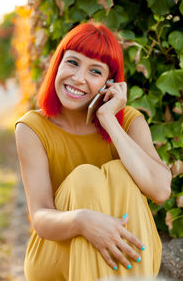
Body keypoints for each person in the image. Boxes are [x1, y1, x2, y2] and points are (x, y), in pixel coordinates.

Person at [15, 22, 172, 281]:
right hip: (57, 253)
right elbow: (40, 218)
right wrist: (82, 221)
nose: (78, 78)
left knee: (119, 172)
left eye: (95, 71)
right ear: (58, 64)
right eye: (73, 62)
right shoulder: (32, 128)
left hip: (125, 253)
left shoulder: (129, 121)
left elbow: (160, 190)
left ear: (109, 82)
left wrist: (110, 120)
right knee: (85, 178)